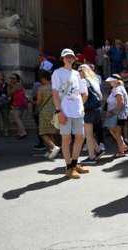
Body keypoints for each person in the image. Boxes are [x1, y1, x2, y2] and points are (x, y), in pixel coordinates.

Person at [52, 48, 89, 179]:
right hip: (65, 111)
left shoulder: (77, 74)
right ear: (62, 59)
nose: (69, 58)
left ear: (74, 59)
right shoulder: (57, 73)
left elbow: (83, 93)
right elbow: (55, 94)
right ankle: (69, 168)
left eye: (71, 57)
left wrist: (81, 106)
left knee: (80, 137)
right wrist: (59, 111)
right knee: (66, 139)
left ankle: (74, 163)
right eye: (66, 56)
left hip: (77, 111)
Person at [78, 64, 105, 164]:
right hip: (96, 109)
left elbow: (85, 95)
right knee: (88, 133)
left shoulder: (83, 81)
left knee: (88, 135)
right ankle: (98, 150)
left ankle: (92, 157)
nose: (78, 73)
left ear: (83, 71)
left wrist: (80, 106)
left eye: (79, 70)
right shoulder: (94, 81)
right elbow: (101, 97)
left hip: (88, 110)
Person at [35, 70, 60, 159]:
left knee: (42, 132)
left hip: (44, 112)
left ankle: (53, 147)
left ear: (43, 78)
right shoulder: (55, 87)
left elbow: (38, 102)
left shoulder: (41, 88)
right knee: (51, 132)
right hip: (54, 111)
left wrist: (32, 102)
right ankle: (51, 151)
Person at [104, 74, 128, 157]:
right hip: (118, 114)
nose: (110, 82)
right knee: (113, 131)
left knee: (117, 133)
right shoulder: (117, 88)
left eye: (111, 81)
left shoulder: (117, 89)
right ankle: (123, 146)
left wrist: (111, 112)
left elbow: (120, 103)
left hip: (117, 115)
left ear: (116, 81)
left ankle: (121, 151)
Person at [7, 73, 28, 139]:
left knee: (17, 119)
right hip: (20, 104)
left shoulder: (17, 85)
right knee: (18, 118)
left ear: (17, 79)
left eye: (13, 78)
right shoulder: (18, 85)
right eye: (11, 78)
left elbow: (9, 93)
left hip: (18, 104)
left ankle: (23, 132)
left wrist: (8, 86)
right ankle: (20, 132)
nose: (12, 79)